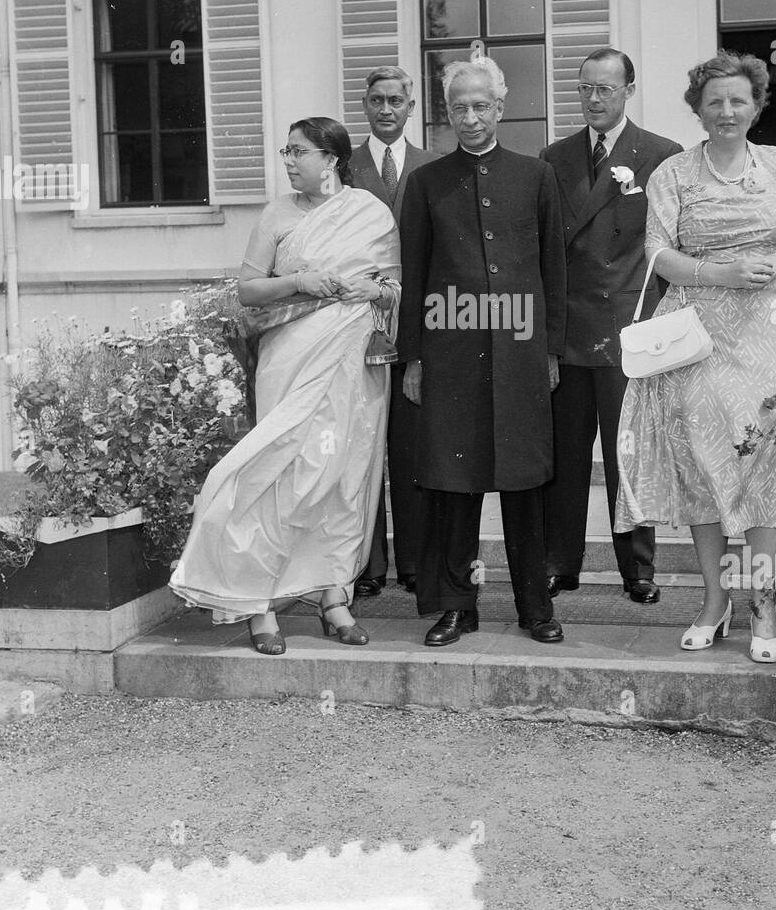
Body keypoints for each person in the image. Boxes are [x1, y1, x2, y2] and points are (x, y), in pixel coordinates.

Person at [613, 51, 776, 663]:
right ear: (698, 110)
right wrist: (724, 271)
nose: (727, 111)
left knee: (764, 463)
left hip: (767, 328)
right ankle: (714, 600)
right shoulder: (672, 175)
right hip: (694, 331)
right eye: (715, 102)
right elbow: (659, 254)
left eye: (738, 100)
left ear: (756, 105)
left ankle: (762, 604)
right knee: (702, 462)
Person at [169, 118, 401, 655]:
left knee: (344, 473)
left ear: (331, 160)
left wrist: (375, 291)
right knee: (278, 472)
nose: (289, 161)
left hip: (352, 361)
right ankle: (258, 605)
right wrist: (300, 281)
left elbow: (393, 288)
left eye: (299, 152)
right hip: (290, 360)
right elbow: (247, 291)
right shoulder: (276, 213)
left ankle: (333, 595)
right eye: (286, 152)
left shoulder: (370, 212)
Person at [398, 55, 567, 646]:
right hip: (449, 355)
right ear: (447, 114)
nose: (470, 117)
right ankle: (455, 607)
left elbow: (553, 268)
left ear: (500, 107)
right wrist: (413, 357)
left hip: (520, 351)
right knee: (453, 485)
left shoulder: (535, 176)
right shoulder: (425, 183)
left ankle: (535, 608)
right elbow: (413, 273)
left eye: (480, 106)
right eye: (458, 107)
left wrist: (550, 350)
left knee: (524, 485)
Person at [540, 48, 681, 605]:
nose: (594, 99)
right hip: (571, 328)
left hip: (629, 327)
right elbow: (549, 249)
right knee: (566, 456)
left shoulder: (661, 155)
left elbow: (670, 245)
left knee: (629, 455)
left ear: (628, 90)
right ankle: (560, 563)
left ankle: (638, 570)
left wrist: (656, 324)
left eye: (605, 89)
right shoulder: (555, 157)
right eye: (585, 89)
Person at [347, 67, 436, 599]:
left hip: (412, 323)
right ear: (365, 104)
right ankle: (367, 563)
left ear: (411, 106)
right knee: (362, 447)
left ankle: (414, 563)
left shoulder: (431, 165)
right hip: (356, 325)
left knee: (410, 448)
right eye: (377, 100)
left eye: (396, 101)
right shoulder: (345, 166)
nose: (386, 109)